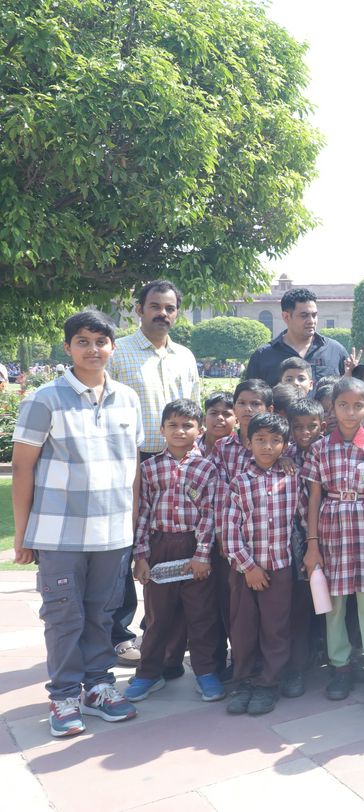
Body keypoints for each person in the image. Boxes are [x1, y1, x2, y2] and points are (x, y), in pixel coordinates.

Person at [12, 310, 144, 737]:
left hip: (113, 534)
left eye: (101, 341)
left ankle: (99, 687)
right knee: (64, 616)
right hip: (59, 534)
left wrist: (132, 525)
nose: (93, 349)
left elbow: (133, 466)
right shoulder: (44, 399)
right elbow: (23, 467)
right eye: (83, 341)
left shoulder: (128, 399)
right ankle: (65, 695)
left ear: (113, 347)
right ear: (68, 347)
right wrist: (22, 534)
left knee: (102, 615)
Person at [107, 279, 202, 666]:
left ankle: (159, 629)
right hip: (133, 458)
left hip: (177, 460)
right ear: (139, 309)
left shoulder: (185, 356)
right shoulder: (120, 353)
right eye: (155, 306)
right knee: (127, 545)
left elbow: (193, 408)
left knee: (169, 544)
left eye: (169, 308)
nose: (163, 313)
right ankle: (119, 633)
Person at [123, 399, 226, 705]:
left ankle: (206, 673)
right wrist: (141, 556)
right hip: (160, 546)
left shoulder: (208, 468)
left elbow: (210, 513)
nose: (180, 431)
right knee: (158, 616)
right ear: (162, 429)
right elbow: (143, 513)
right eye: (173, 425)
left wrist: (203, 555)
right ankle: (149, 673)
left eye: (187, 425)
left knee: (201, 614)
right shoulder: (149, 468)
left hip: (194, 546)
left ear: (200, 430)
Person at [301, 376, 364, 712]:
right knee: (334, 605)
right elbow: (314, 498)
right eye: (343, 405)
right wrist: (312, 545)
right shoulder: (320, 448)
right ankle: (340, 668)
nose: (350, 412)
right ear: (333, 407)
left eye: (357, 406)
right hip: (331, 530)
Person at [221, 413, 306, 716]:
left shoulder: (293, 478)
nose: (267, 446)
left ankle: (269, 683)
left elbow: (304, 518)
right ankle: (244, 680)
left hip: (280, 567)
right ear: (248, 442)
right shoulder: (239, 483)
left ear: (285, 445)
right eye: (260, 440)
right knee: (243, 628)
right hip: (245, 571)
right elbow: (229, 531)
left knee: (276, 627)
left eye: (275, 441)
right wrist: (248, 567)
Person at [279, 397, 326, 697]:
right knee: (300, 602)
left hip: (332, 533)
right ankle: (297, 666)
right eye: (298, 427)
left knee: (329, 602)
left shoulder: (329, 452)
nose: (304, 432)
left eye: (311, 426)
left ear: (323, 426)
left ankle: (329, 657)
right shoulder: (286, 455)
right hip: (297, 537)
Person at [244, 288, 349, 386]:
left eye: (314, 315)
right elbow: (251, 395)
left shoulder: (335, 351)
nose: (311, 321)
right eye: (304, 315)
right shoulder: (263, 356)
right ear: (286, 317)